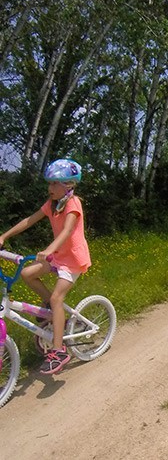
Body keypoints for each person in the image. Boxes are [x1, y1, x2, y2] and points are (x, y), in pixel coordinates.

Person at [0, 158, 91, 375]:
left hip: (73, 260)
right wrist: (4, 236)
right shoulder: (51, 205)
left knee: (57, 297)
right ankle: (53, 312)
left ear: (68, 185)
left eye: (54, 184)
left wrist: (49, 250)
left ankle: (59, 351)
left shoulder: (72, 203)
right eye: (49, 183)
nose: (49, 188)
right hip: (58, 257)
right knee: (28, 273)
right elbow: (29, 220)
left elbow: (68, 230)